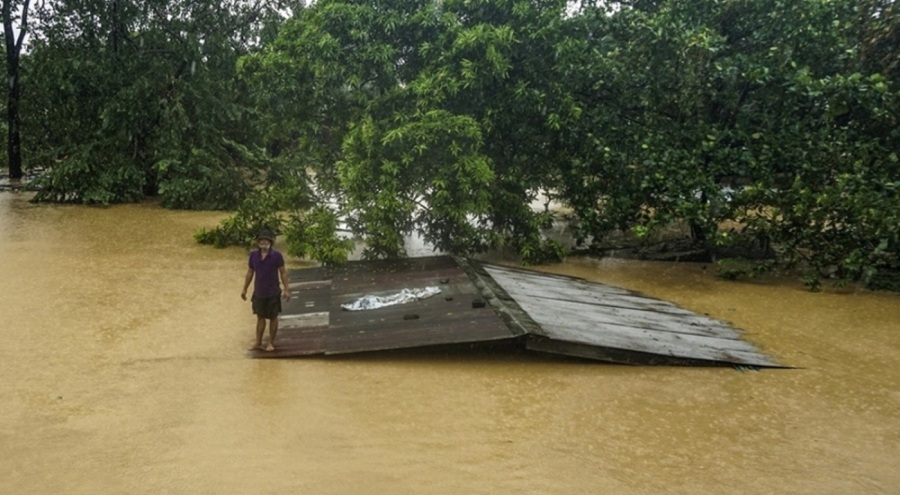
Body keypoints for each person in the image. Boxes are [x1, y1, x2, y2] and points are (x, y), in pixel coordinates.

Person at [241, 230, 291, 351]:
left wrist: (287, 289)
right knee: (260, 317)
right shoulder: (253, 256)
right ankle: (258, 342)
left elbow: (283, 272)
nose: (263, 242)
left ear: (270, 242)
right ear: (258, 242)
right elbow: (250, 272)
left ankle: (270, 343)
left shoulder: (276, 256)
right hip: (259, 292)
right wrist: (244, 289)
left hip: (273, 292)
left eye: (266, 240)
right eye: (261, 240)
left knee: (273, 317)